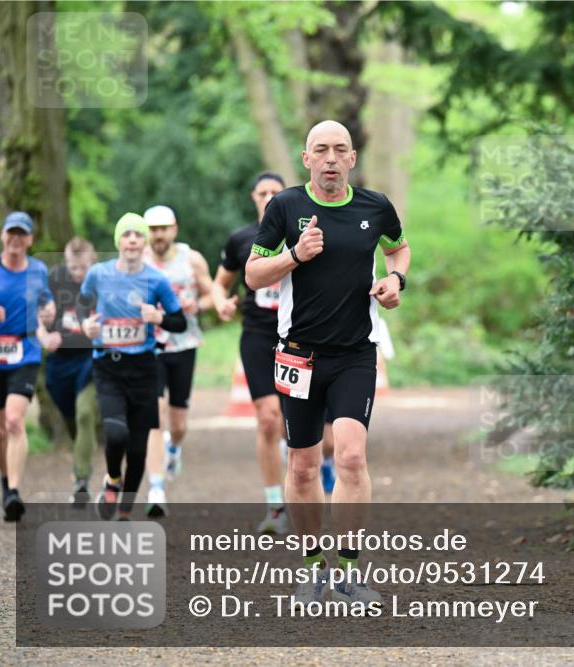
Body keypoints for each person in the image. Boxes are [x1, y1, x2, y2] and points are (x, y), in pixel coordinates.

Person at [245, 120, 410, 604]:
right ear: (307, 159)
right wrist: (295, 254)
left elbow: (399, 249)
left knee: (353, 455)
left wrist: (396, 282)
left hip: (356, 353)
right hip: (299, 354)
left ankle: (352, 573)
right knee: (302, 466)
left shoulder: (374, 207)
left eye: (340, 150)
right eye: (322, 150)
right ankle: (314, 568)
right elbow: (254, 275)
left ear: (353, 159)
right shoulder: (286, 206)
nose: (332, 158)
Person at [79, 213, 186, 520]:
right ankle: (113, 478)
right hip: (108, 368)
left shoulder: (157, 279)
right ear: (118, 241)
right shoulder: (98, 274)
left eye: (138, 235)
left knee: (138, 450)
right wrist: (86, 326)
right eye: (126, 234)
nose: (132, 240)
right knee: (115, 434)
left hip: (144, 370)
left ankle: (124, 512)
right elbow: (80, 310)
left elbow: (179, 321)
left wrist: (159, 318)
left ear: (145, 242)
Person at [213, 172, 292, 534]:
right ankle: (275, 506)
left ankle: (305, 481)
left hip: (299, 337)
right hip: (258, 336)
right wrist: (221, 303)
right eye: (263, 192)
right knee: (267, 417)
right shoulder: (241, 239)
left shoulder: (301, 235)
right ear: (253, 197)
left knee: (303, 429)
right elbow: (221, 282)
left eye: (276, 192)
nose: (269, 197)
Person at [142, 204, 214, 517]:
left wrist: (196, 304)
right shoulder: (137, 260)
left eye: (163, 228)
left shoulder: (191, 259)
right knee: (153, 412)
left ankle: (173, 448)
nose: (158, 235)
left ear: (174, 229)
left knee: (179, 423)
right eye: (152, 229)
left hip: (184, 344)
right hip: (150, 346)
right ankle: (156, 487)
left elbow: (214, 294)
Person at [0, 212, 55, 521]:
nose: (16, 239)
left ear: (30, 239)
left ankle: (15, 492)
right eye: (11, 233)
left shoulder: (38, 270)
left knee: (15, 421)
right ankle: (6, 486)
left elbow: (46, 303)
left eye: (22, 234)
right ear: (3, 236)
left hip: (25, 352)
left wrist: (48, 314)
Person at [44, 237, 99, 505]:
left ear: (93, 263)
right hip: (60, 363)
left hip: (90, 359)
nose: (78, 274)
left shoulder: (101, 283)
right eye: (73, 268)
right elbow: (37, 315)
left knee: (86, 414)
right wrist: (45, 335)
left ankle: (81, 481)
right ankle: (83, 450)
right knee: (71, 417)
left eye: (83, 268)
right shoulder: (55, 280)